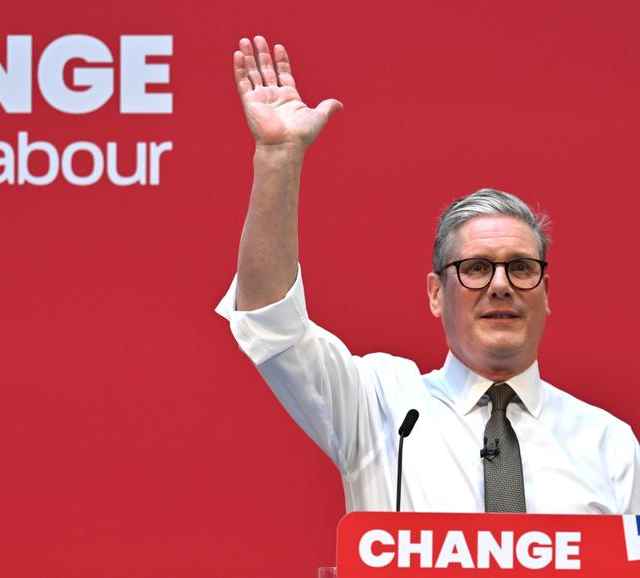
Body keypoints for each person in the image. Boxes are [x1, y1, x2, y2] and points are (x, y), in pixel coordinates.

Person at [216, 36, 640, 514]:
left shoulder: (610, 446)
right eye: (476, 268)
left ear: (544, 293)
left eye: (521, 268)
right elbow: (271, 320)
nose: (500, 284)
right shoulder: (382, 407)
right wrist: (279, 158)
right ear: (437, 294)